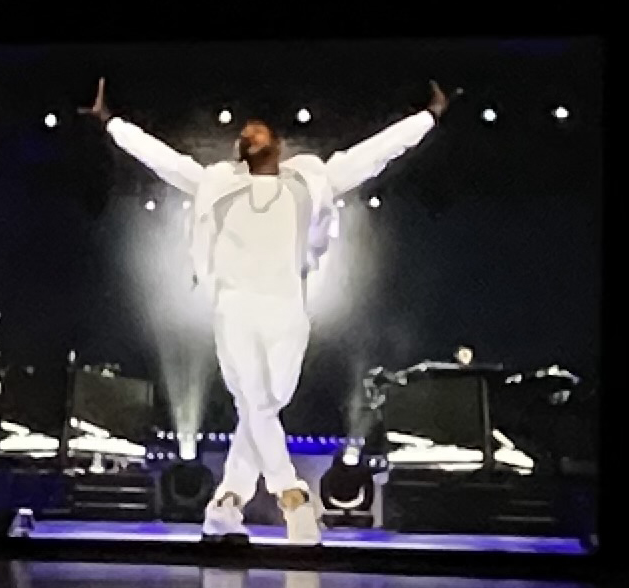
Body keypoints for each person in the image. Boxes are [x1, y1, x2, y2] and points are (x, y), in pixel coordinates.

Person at [81, 76, 446, 543]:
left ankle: (226, 503)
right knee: (255, 402)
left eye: (257, 130)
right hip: (235, 308)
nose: (248, 134)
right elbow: (163, 161)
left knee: (265, 406)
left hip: (288, 310)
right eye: (244, 133)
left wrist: (427, 118)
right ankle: (292, 497)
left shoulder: (310, 182)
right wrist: (113, 124)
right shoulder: (216, 182)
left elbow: (374, 154)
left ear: (279, 145)